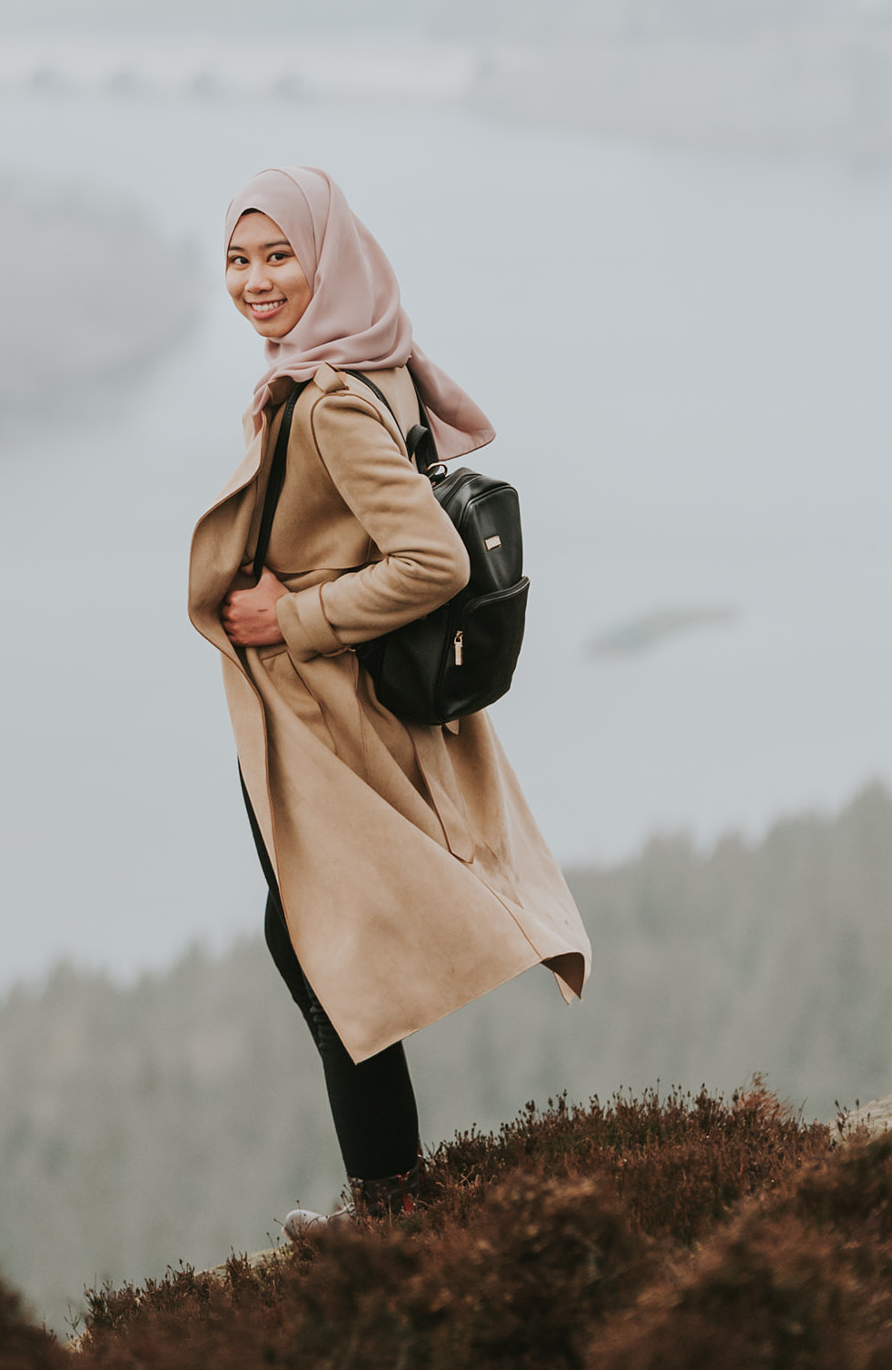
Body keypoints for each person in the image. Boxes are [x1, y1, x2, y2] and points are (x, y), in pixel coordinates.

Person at [187, 166, 591, 1236]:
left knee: (319, 948)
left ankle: (389, 1209)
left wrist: (295, 615)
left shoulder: (327, 400)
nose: (255, 279)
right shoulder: (374, 358)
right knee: (318, 944)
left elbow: (433, 560)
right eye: (238, 257)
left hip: (326, 723)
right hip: (338, 713)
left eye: (279, 254)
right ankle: (391, 1194)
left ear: (329, 258)